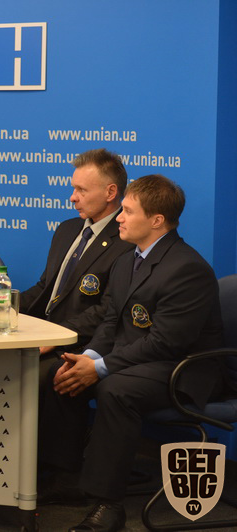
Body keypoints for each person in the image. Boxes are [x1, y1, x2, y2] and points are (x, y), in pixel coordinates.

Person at [38, 174, 223, 532]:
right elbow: (111, 322)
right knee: (62, 372)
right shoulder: (127, 260)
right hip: (139, 360)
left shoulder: (187, 269)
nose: (119, 218)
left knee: (116, 389)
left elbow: (166, 343)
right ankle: (64, 478)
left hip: (183, 369)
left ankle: (108, 505)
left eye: (128, 211)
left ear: (156, 220)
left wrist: (101, 368)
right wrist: (90, 358)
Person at [20, 149, 133, 366]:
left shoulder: (126, 242)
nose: (73, 197)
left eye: (82, 190)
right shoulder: (67, 229)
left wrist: (57, 335)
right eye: (74, 188)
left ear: (110, 192)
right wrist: (3, 305)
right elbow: (45, 287)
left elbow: (107, 311)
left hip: (78, 345)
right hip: (43, 332)